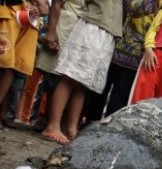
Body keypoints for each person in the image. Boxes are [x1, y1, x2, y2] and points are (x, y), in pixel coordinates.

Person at [40, 0, 123, 144]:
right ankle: (52, 125)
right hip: (91, 26)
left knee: (83, 83)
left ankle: (71, 128)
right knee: (70, 76)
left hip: (107, 31)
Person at [83, 0, 158, 122]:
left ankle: (105, 135)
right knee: (98, 92)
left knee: (118, 102)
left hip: (136, 58)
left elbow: (145, 10)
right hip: (116, 49)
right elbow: (132, 8)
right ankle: (88, 127)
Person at [0, 0, 48, 126]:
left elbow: (44, 9)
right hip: (9, 11)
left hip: (24, 18)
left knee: (10, 65)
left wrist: (38, 7)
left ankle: (4, 114)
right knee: (6, 63)